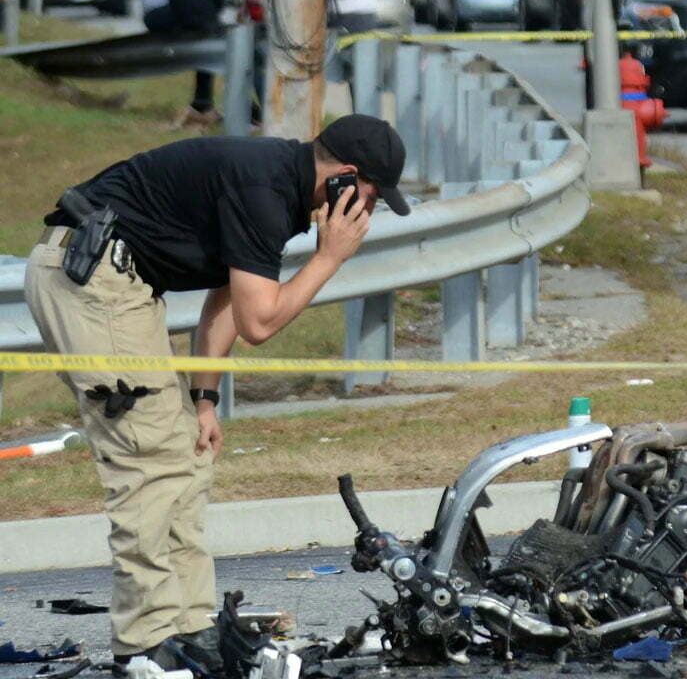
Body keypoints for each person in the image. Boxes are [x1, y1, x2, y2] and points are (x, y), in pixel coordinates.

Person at [23, 115, 410, 671]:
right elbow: (259, 320)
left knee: (188, 454)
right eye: (372, 196)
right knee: (149, 460)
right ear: (346, 177)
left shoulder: (280, 184)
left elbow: (226, 299)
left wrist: (204, 399)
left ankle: (189, 626)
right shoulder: (265, 191)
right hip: (91, 278)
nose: (369, 212)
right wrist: (330, 257)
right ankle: (146, 641)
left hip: (117, 282)